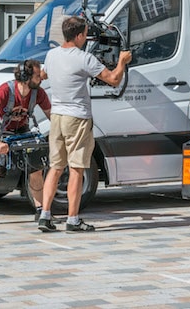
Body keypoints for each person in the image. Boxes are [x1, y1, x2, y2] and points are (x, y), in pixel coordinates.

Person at [38, 16, 132, 233]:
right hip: (77, 119)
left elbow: (42, 75)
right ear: (79, 35)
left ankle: (45, 215)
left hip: (57, 117)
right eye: (86, 33)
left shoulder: (51, 55)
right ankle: (73, 219)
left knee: (54, 168)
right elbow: (114, 79)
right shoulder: (84, 58)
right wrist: (122, 61)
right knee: (77, 170)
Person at [0, 59, 51, 227]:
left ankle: (40, 211)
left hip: (22, 130)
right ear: (25, 77)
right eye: (38, 75)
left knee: (35, 170)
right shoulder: (5, 90)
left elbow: (52, 115)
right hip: (1, 132)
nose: (42, 78)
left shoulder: (38, 93)